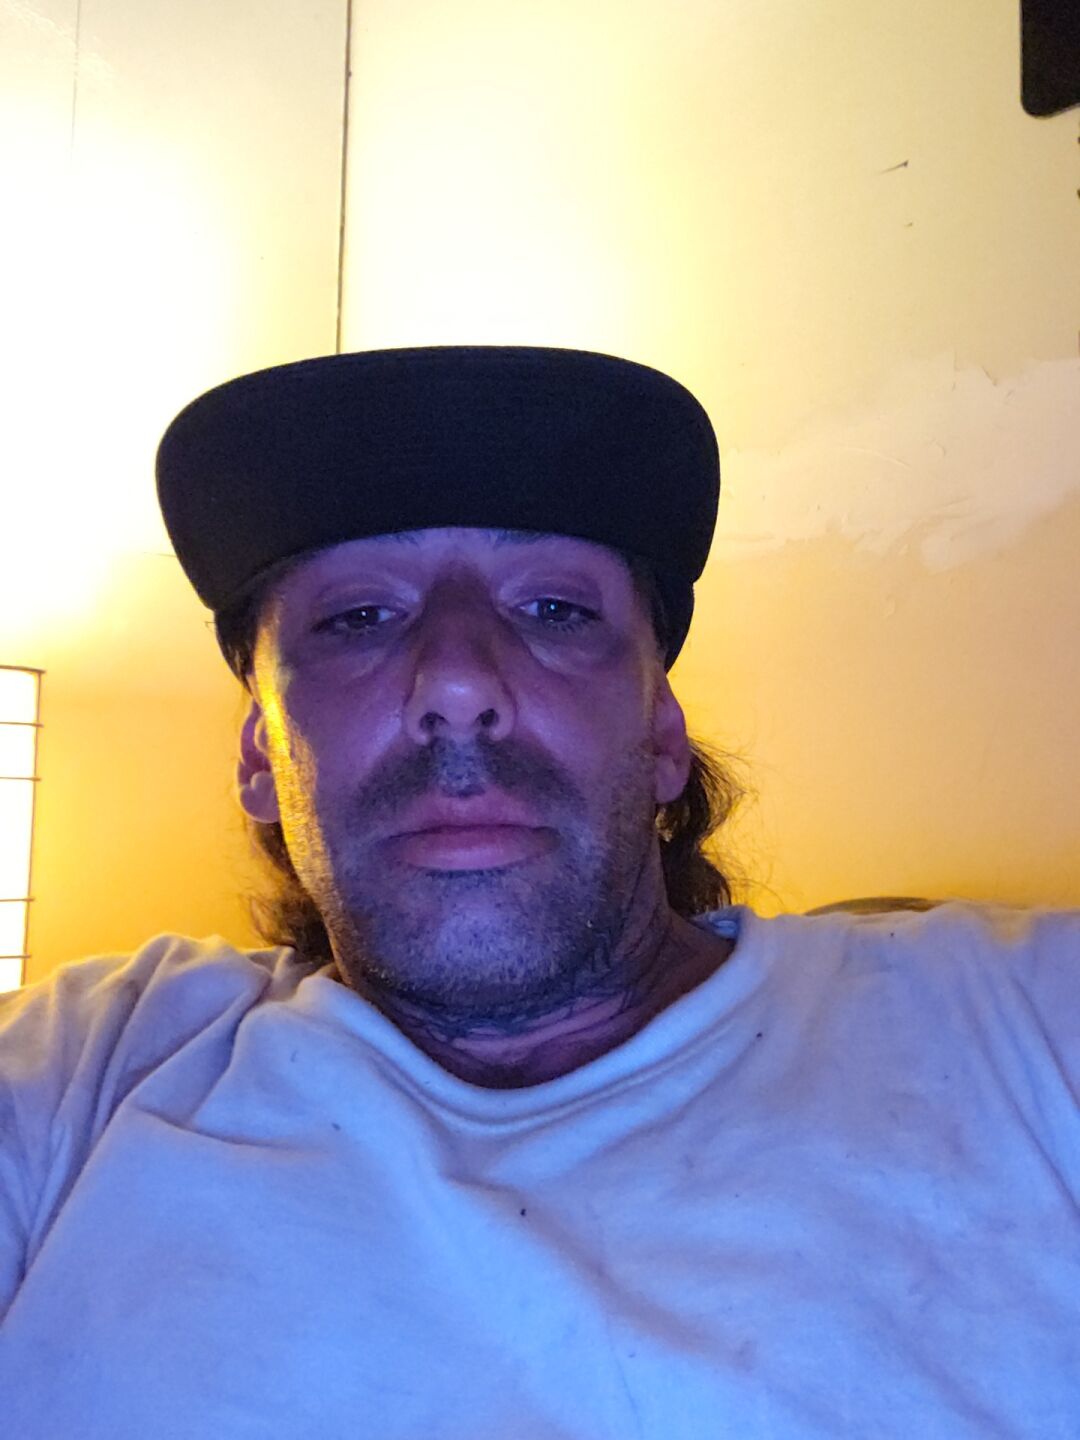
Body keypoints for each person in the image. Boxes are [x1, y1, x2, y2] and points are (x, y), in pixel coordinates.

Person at [0, 347, 1076, 1438]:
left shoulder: (1026, 1027)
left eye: (555, 609)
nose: (459, 682)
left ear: (663, 740)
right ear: (261, 761)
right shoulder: (88, 1072)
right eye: (358, 618)